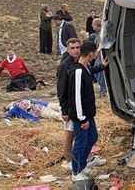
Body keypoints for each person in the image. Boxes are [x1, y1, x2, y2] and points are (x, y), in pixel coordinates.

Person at [56, 38, 108, 170]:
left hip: (84, 111)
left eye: (77, 47)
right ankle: (74, 166)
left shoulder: (83, 66)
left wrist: (102, 66)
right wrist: (65, 111)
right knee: (73, 136)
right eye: (72, 48)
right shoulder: (67, 66)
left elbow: (89, 72)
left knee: (89, 137)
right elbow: (66, 91)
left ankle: (82, 162)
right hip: (75, 110)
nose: (75, 50)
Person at [67, 41, 105, 181]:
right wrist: (82, 118)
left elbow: (91, 71)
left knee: (92, 137)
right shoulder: (77, 71)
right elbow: (76, 97)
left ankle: (82, 165)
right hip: (80, 116)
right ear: (90, 54)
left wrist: (102, 66)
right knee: (81, 142)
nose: (95, 56)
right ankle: (76, 172)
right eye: (95, 53)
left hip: (87, 114)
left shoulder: (85, 68)